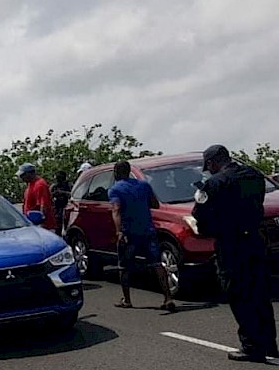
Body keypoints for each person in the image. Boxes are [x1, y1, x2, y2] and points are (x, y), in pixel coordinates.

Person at [192, 145, 278, 365]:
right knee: (260, 293)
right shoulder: (254, 175)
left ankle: (252, 347)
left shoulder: (214, 184)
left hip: (231, 244)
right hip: (255, 240)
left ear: (212, 163)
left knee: (239, 295)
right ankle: (270, 344)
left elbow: (201, 216)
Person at [108, 161, 175, 311]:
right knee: (157, 263)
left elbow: (116, 210)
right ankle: (168, 297)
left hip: (128, 232)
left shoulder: (115, 190)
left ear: (116, 173)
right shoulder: (144, 185)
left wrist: (119, 231)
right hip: (147, 229)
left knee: (124, 267)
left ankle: (127, 299)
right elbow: (154, 204)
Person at [16, 163, 56, 231]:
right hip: (32, 225)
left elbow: (44, 206)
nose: (21, 177)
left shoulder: (40, 185)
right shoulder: (30, 184)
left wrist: (41, 223)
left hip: (43, 227)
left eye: (23, 175)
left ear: (30, 173)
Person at [50, 170, 72, 235]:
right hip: (57, 208)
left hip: (67, 207)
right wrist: (54, 194)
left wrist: (63, 193)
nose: (58, 180)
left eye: (59, 178)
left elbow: (73, 194)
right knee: (57, 226)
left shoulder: (68, 185)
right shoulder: (54, 186)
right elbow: (48, 196)